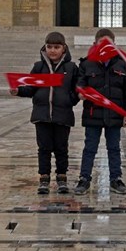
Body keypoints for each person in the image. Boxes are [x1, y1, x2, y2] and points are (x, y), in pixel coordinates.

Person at [11, 31, 80, 195]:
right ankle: (44, 178)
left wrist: (71, 100)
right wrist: (18, 91)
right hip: (41, 115)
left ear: (64, 48)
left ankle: (62, 178)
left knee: (61, 148)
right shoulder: (38, 67)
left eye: (57, 47)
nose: (53, 50)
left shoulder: (70, 68)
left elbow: (76, 90)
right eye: (49, 47)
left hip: (62, 115)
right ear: (45, 48)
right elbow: (30, 88)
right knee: (44, 148)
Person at [74, 28, 126, 195]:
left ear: (115, 45)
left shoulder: (122, 64)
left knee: (114, 148)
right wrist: (80, 92)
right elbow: (80, 83)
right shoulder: (87, 63)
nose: (106, 47)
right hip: (93, 113)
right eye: (102, 44)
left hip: (114, 114)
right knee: (90, 148)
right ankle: (84, 178)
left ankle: (116, 178)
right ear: (95, 44)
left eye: (109, 44)